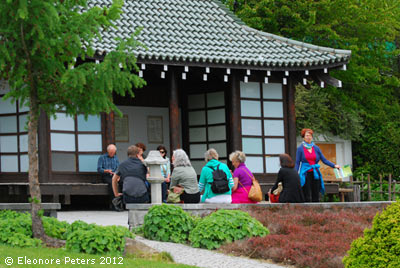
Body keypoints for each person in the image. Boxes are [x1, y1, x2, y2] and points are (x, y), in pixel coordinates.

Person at [295, 128, 340, 202]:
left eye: (310, 135)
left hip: (315, 173)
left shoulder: (316, 148)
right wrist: (295, 173)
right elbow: (297, 162)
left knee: (316, 193)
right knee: (307, 194)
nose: (309, 137)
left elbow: (324, 160)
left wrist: (334, 165)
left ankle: (316, 211)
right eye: (307, 135)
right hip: (305, 173)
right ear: (303, 137)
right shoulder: (300, 149)